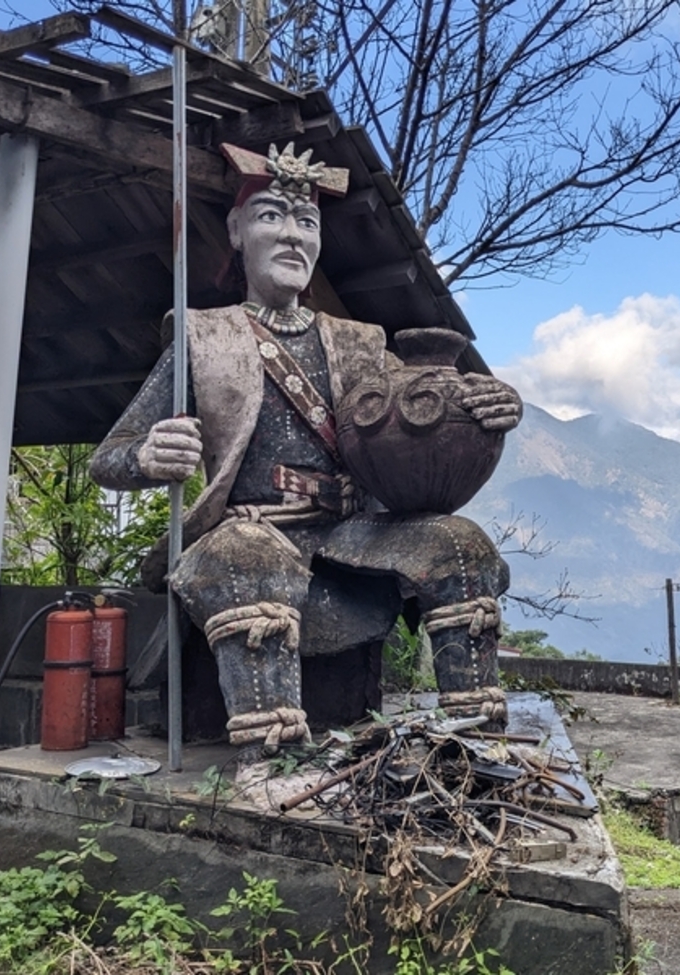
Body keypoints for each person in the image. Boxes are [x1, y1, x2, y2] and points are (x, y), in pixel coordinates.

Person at [90, 142, 520, 752]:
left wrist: (489, 406)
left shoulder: (359, 344)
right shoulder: (202, 338)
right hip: (248, 528)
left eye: (307, 222)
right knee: (245, 554)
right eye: (271, 216)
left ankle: (476, 742)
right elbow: (110, 455)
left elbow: (425, 404)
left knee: (459, 541)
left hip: (350, 535)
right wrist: (147, 453)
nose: (292, 236)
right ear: (237, 231)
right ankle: (272, 759)